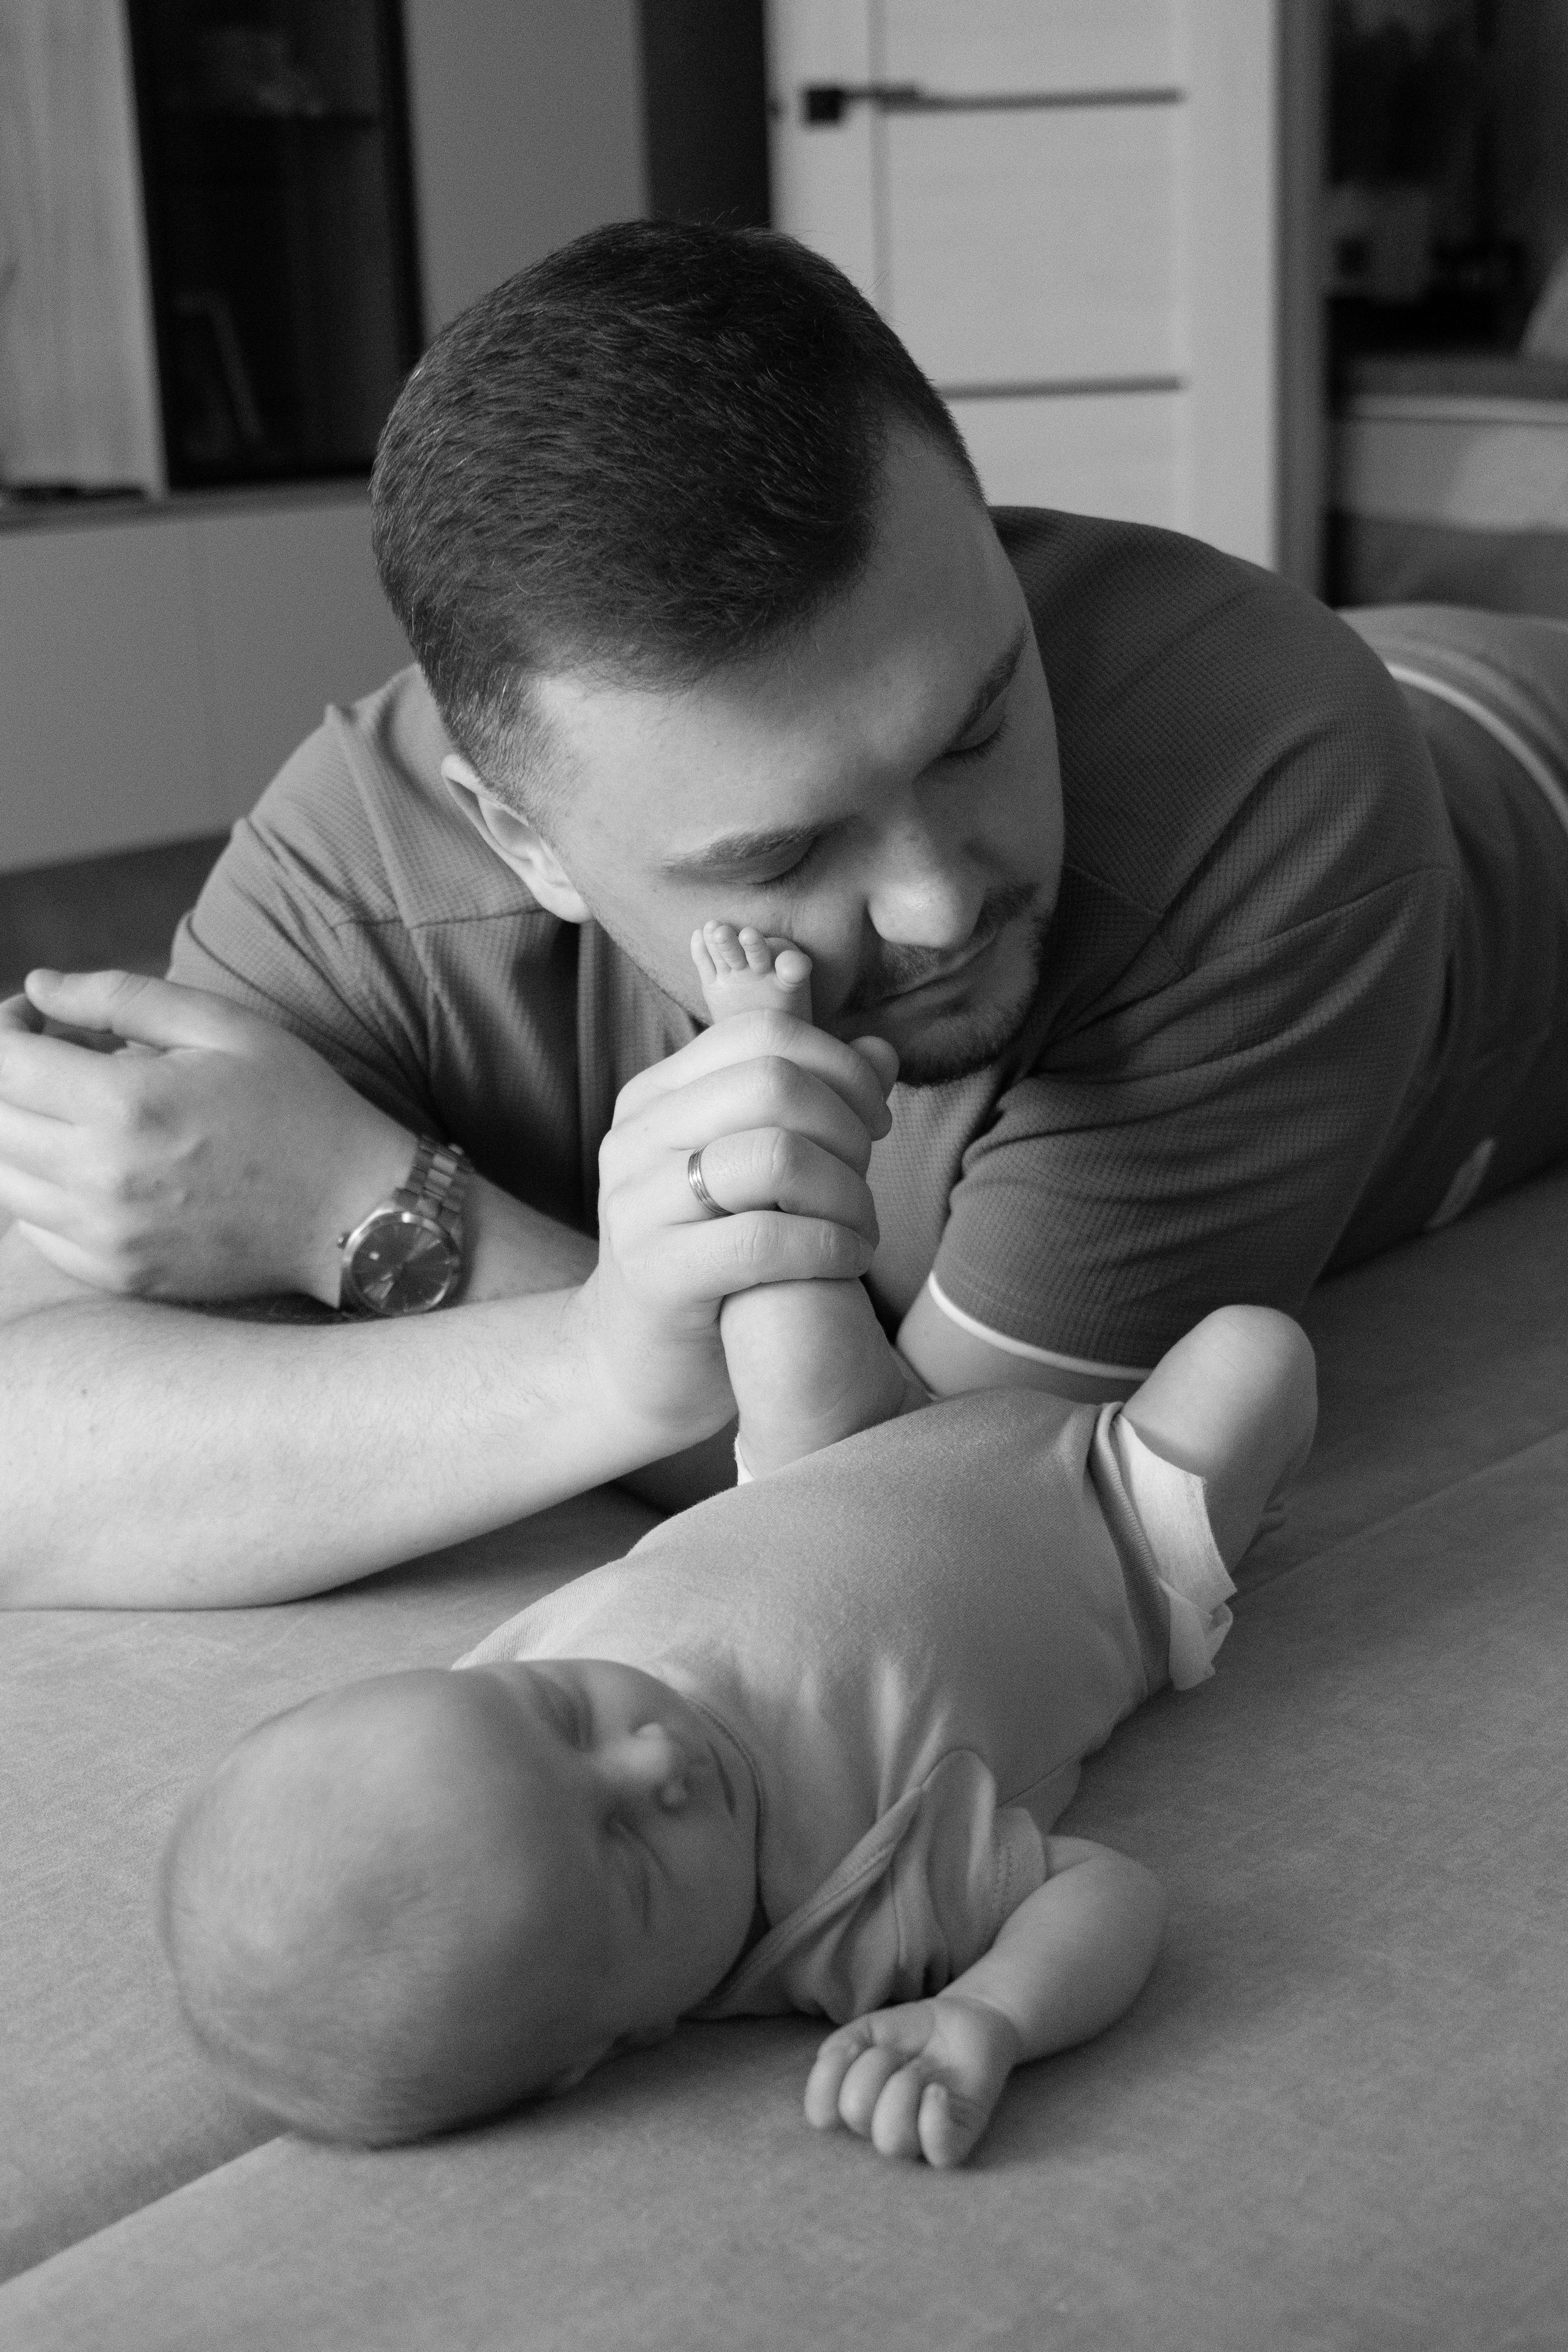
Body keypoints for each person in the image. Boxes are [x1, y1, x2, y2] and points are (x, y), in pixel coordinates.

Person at [0, 222, 1563, 1607]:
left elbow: (920, 1532)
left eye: (972, 724)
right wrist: (598, 1347)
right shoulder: (368, 875)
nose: (939, 896)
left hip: (1503, 768)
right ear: (519, 838)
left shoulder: (1273, 789)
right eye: (775, 855)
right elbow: (37, 1462)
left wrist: (374, 1212)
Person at [158, 929, 1316, 2166]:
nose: (651, 1758)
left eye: (564, 1719)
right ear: (617, 2036)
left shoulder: (480, 1702)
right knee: (1255, 1357)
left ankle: (758, 1046)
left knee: (762, 1277)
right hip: (1111, 1529)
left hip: (822, 1458)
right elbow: (1105, 1895)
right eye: (632, 1857)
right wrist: (986, 2012)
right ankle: (1208, 1535)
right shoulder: (843, 1915)